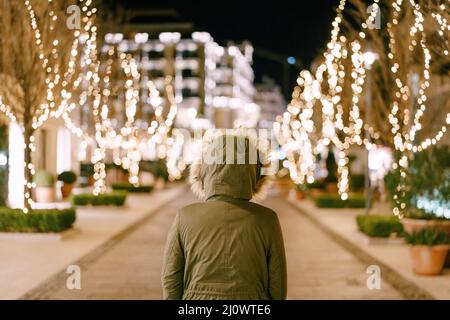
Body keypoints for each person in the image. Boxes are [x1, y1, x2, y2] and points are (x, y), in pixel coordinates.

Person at [162, 133, 287, 300]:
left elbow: (171, 277)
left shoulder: (185, 216)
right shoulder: (267, 219)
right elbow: (278, 283)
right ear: (254, 170)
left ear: (205, 169)